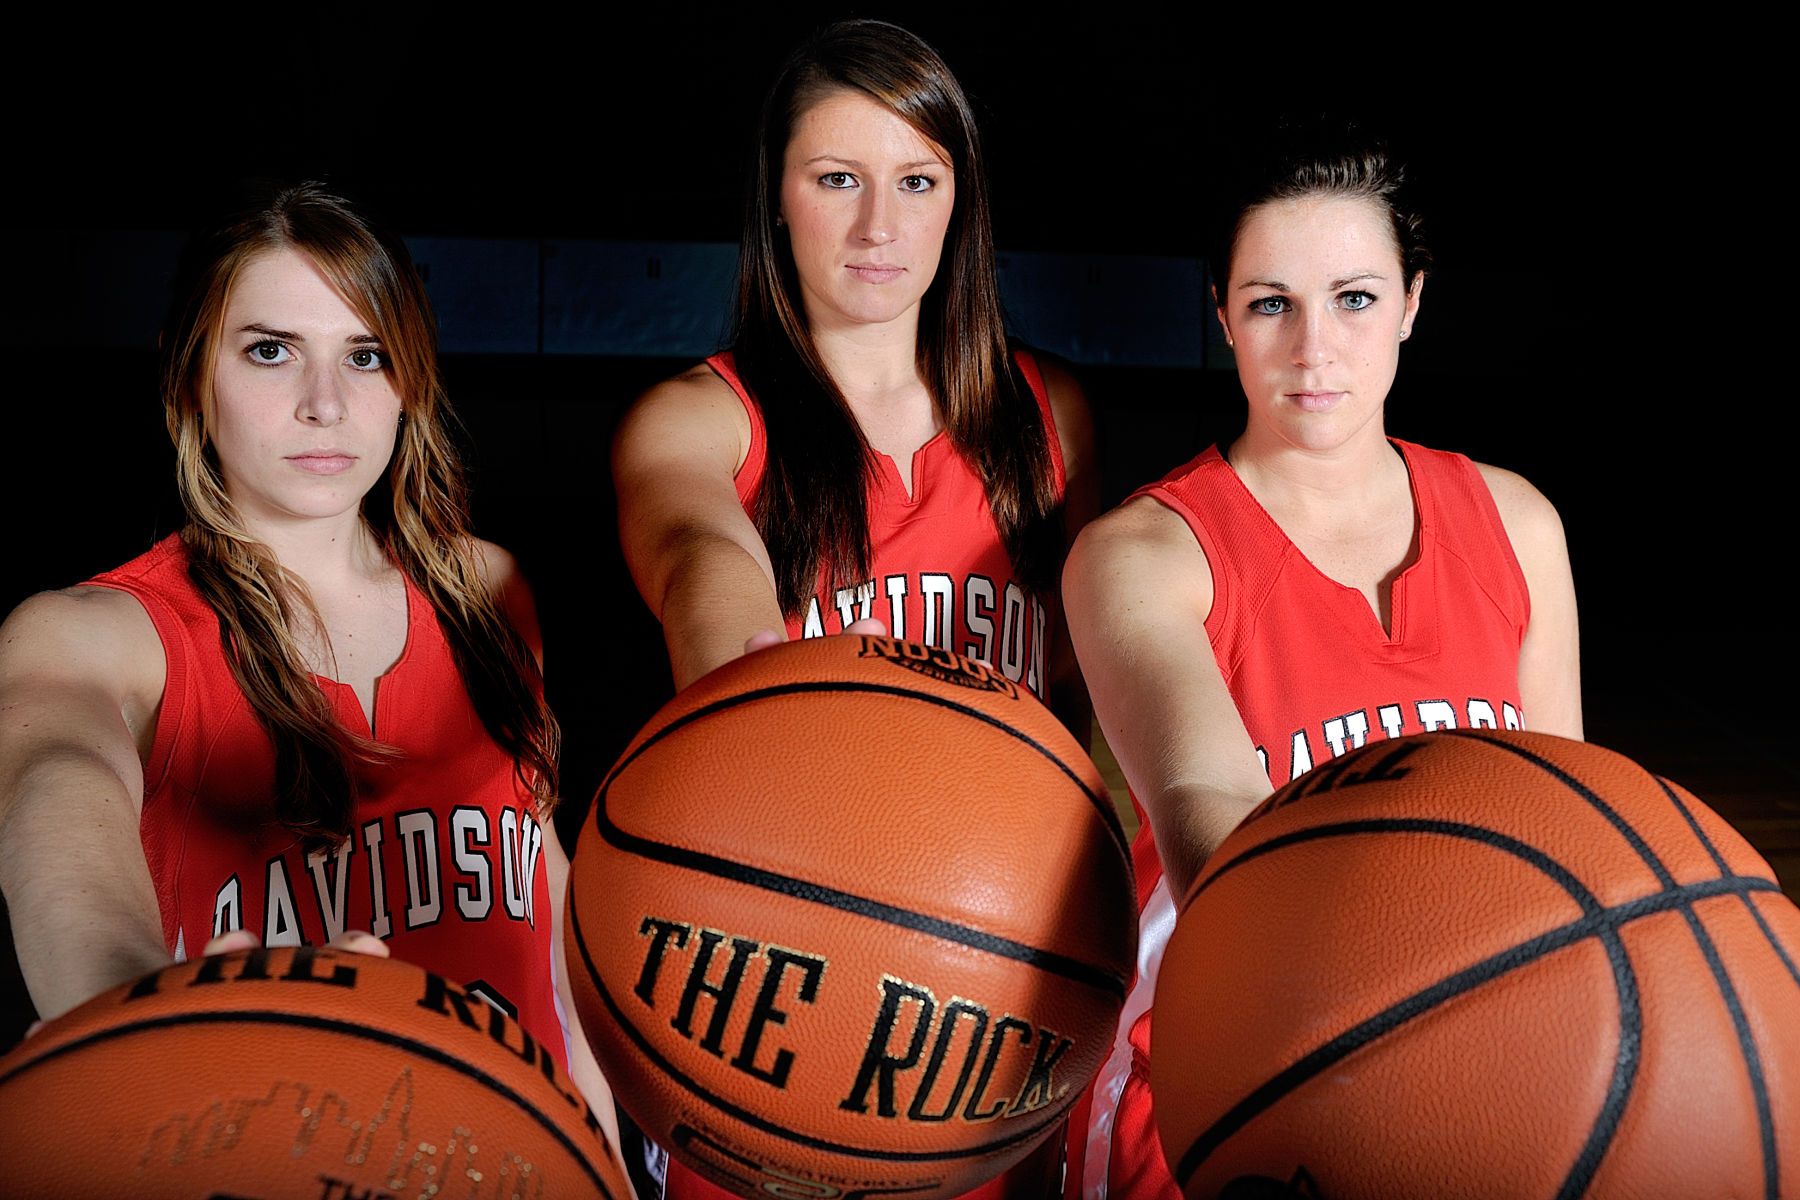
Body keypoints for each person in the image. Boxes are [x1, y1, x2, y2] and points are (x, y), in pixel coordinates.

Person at [0, 184, 621, 1146]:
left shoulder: (488, 592)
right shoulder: (96, 635)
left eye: (364, 356)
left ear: (408, 381)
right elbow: (55, 803)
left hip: (524, 1158)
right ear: (190, 376)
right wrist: (136, 1007)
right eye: (270, 350)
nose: (325, 403)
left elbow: (545, 911)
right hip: (273, 1153)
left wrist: (610, 1160)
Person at [612, 18, 1096, 1198]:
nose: (880, 227)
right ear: (776, 198)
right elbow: (701, 564)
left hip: (1003, 999)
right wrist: (775, 751)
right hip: (786, 988)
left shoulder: (1052, 418)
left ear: (958, 203)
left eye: (916, 182)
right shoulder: (698, 419)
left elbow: (1100, 704)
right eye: (837, 179)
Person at [1059, 130, 1583, 1197]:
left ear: (1411, 304)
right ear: (1220, 315)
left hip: (1481, 1047)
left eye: (1352, 298)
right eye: (1270, 304)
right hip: (1225, 1069)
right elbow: (1210, 808)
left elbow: (1564, 817)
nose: (1313, 348)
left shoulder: (1516, 520)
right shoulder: (1144, 554)